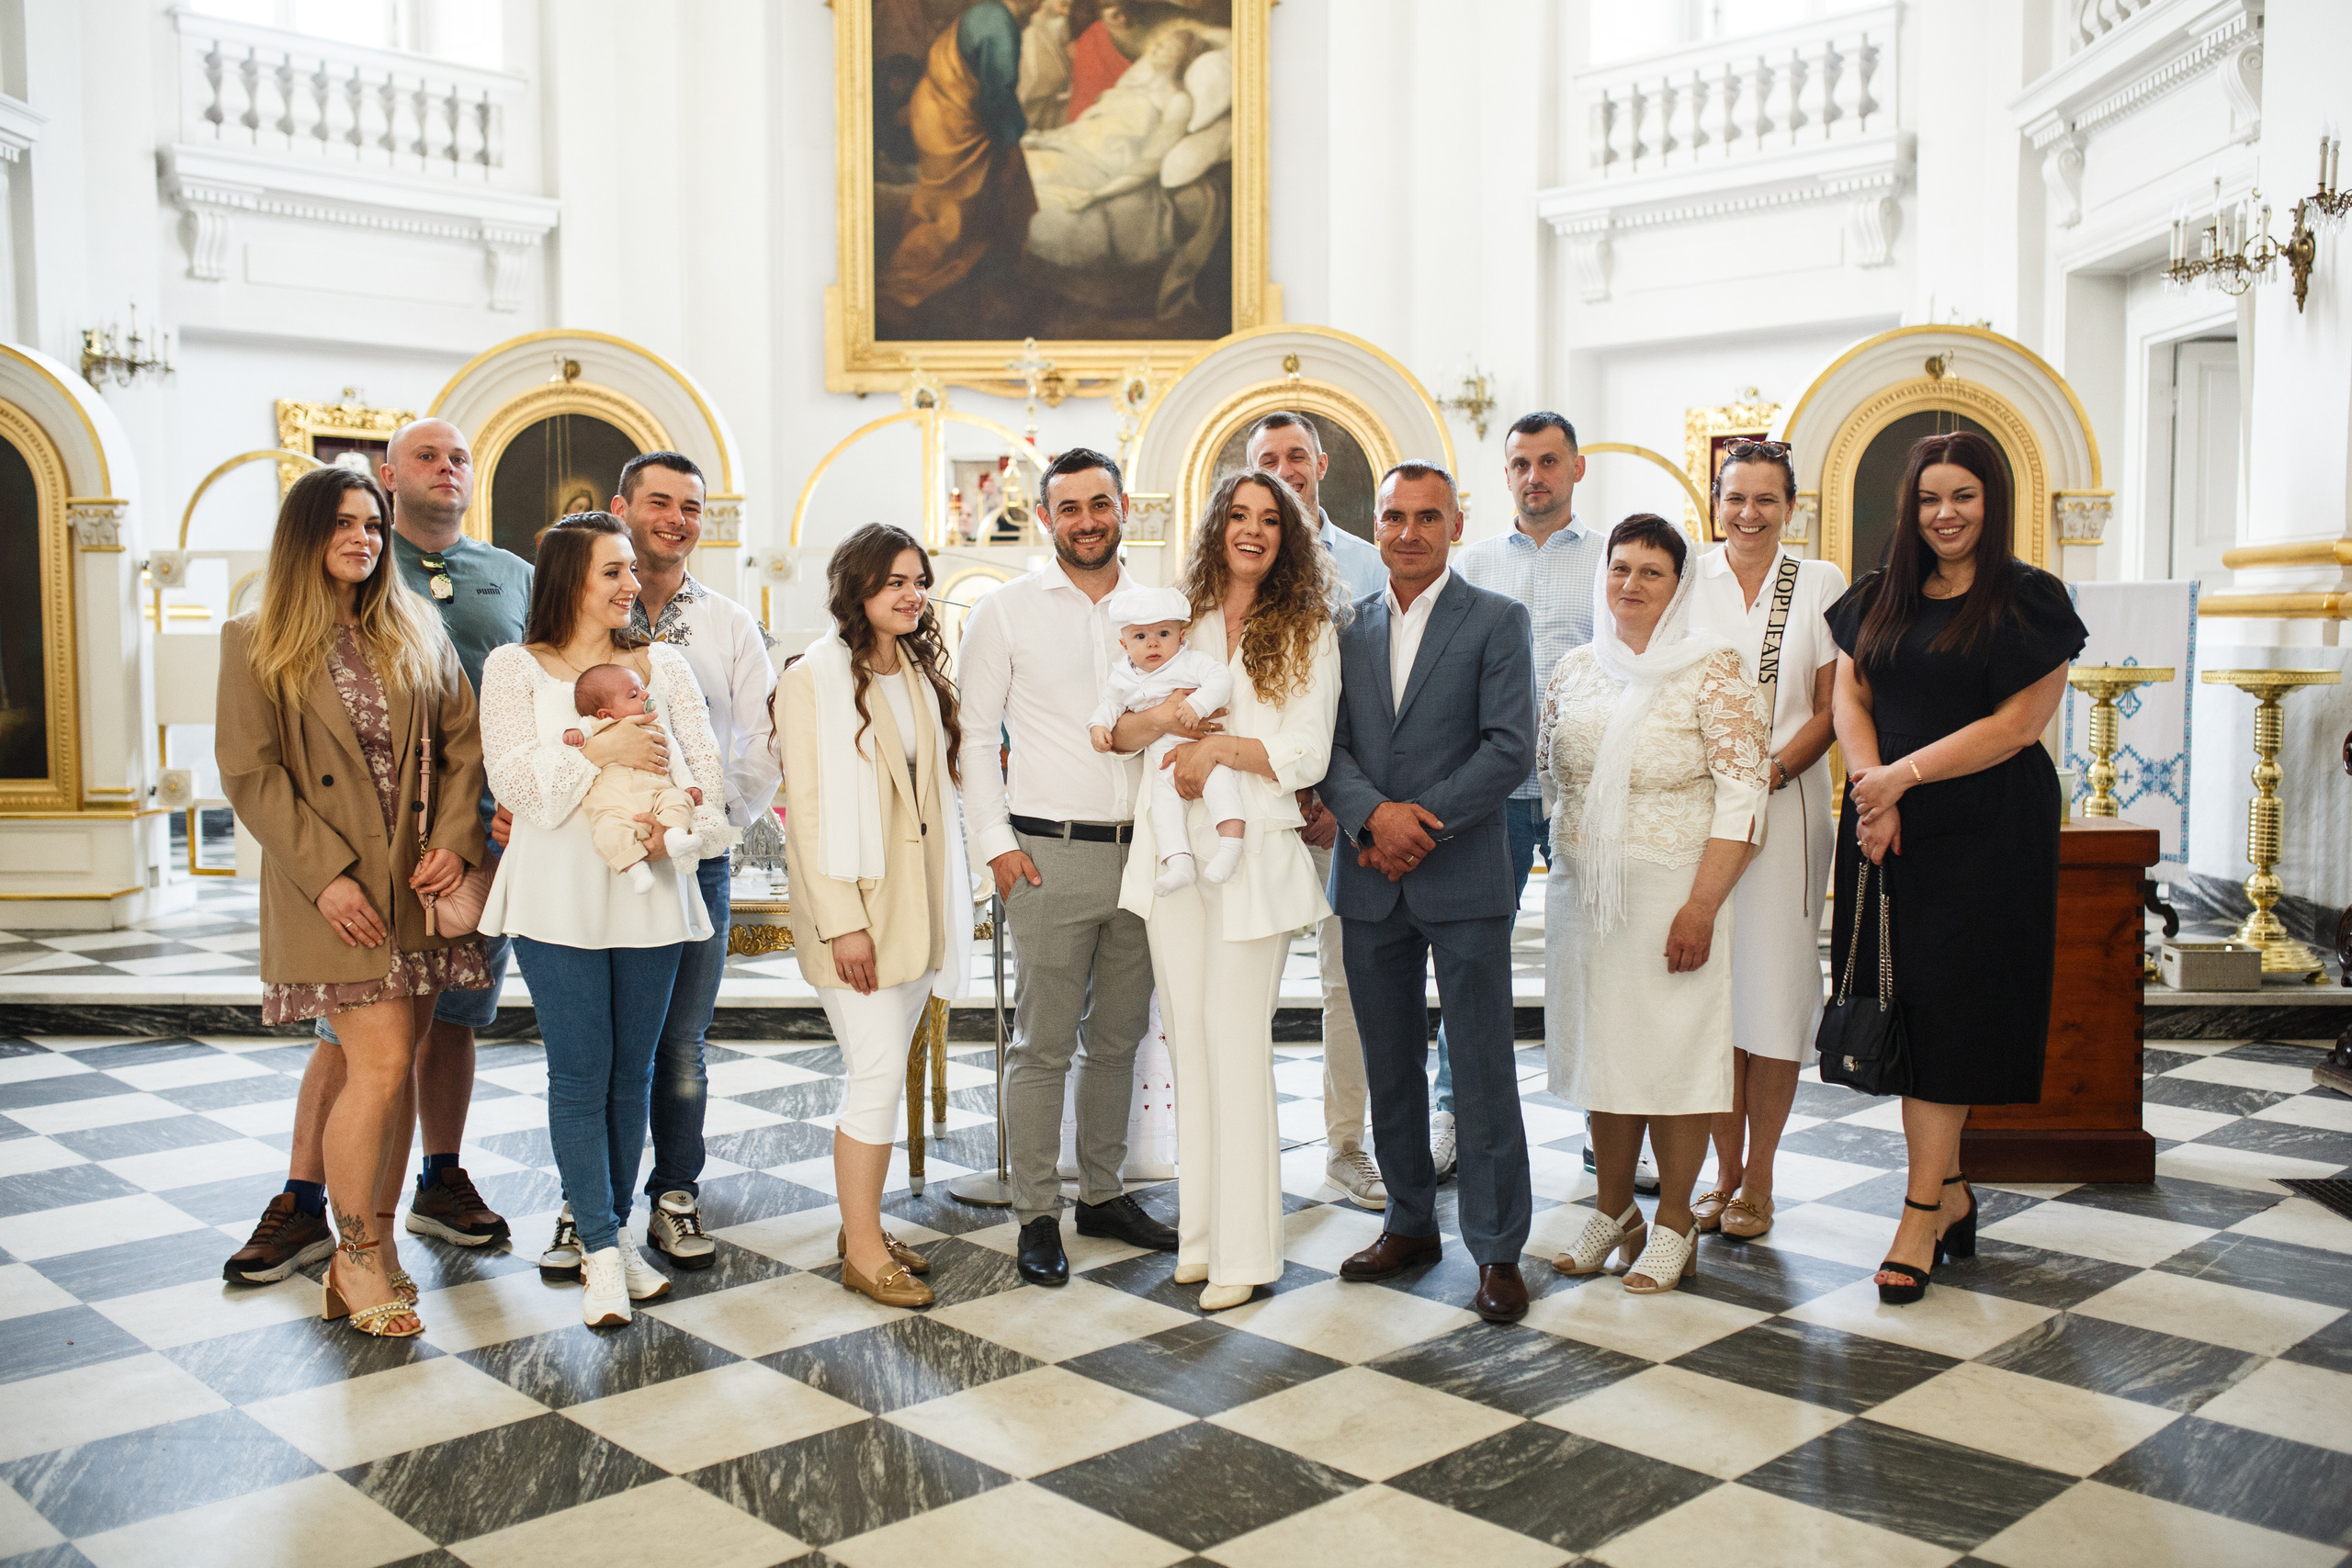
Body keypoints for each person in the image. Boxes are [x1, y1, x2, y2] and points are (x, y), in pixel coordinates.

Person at [222, 420, 524, 1289]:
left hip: (419, 883)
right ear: (304, 540)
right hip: (335, 892)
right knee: (383, 1060)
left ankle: (376, 1246)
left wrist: (456, 845)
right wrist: (325, 878)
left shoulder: (416, 627)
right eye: (342, 525)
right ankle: (355, 1257)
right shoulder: (254, 640)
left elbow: (467, 743)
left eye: (369, 527)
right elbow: (252, 773)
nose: (360, 540)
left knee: (397, 1070)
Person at [1827, 431, 2086, 1305]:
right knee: (1912, 1012)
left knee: (1954, 1016)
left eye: (1964, 496)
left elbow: (2018, 724)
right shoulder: (1881, 595)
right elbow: (1849, 692)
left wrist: (1903, 776)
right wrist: (1873, 787)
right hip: (1887, 825)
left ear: (1993, 502)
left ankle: (1918, 1212)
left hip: (1985, 824)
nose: (1946, 513)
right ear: (1911, 506)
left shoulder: (2030, 601)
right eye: (1931, 497)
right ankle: (1955, 1192)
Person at [476, 513, 732, 1328]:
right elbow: (517, 782)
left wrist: (676, 827)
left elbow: (708, 781)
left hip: (650, 883)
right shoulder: (514, 669)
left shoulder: (666, 667)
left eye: (631, 570)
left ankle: (616, 1236)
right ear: (567, 581)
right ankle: (596, 1252)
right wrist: (602, 751)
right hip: (556, 890)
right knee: (580, 1072)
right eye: (613, 571)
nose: (633, 584)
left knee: (636, 1071)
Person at [1112, 472, 1340, 1311]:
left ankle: (1249, 1251)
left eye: (1270, 519)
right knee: (1188, 1046)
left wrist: (1216, 750)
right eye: (1239, 516)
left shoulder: (1306, 627)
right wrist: (1168, 728)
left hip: (1254, 858)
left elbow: (1307, 752)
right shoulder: (1180, 616)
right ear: (1217, 527)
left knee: (1236, 1047)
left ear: (1289, 536)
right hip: (1173, 852)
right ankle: (1201, 1236)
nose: (1252, 530)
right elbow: (1124, 727)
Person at [958, 446, 1180, 1286]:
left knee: (1120, 1037)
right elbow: (976, 737)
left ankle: (1104, 1191)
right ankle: (1037, 1212)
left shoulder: (1159, 607)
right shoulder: (1007, 611)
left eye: (1101, 503)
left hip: (1146, 851)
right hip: (1047, 851)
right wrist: (997, 846)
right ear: (1045, 518)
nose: (1087, 520)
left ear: (1125, 507)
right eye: (1070, 508)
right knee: (1042, 1043)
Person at [1323, 461, 1537, 1325]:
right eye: (1392, 517)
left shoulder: (1495, 619)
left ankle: (1496, 1250)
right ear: (1374, 525)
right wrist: (1373, 819)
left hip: (1463, 873)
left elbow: (1508, 746)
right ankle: (1409, 1222)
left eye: (1426, 517)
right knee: (1389, 1065)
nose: (1407, 532)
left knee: (1482, 1069)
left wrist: (1419, 823)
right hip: (1369, 877)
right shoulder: (1345, 627)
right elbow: (1323, 744)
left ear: (1456, 522)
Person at [1543, 514, 1770, 1294]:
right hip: (1587, 896)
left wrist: (1703, 904)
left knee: (1672, 1058)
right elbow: (1553, 773)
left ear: (1679, 587)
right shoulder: (1576, 667)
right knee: (1604, 1056)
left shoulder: (1714, 668)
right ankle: (1615, 1210)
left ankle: (1674, 1219)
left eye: (1651, 571)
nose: (1631, 584)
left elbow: (1746, 791)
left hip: (1678, 891)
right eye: (1619, 568)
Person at [1452, 412, 1658, 1196]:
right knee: (1471, 959)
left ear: (1576, 469)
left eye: (1549, 462)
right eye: (1520, 464)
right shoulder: (1470, 563)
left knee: (1605, 955)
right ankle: (1458, 1118)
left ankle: (1609, 1130)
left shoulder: (1615, 562)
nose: (1534, 476)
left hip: (1587, 787)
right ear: (1504, 474)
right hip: (1493, 792)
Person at [776, 525, 973, 1309]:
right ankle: (861, 1248)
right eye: (893, 580)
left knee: (883, 1076)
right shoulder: (812, 679)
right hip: (856, 915)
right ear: (855, 586)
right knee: (877, 1072)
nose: (910, 593)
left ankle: (865, 1222)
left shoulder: (918, 670)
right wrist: (840, 922)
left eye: (918, 580)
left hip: (918, 909)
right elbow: (811, 811)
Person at [612, 450, 779, 1270]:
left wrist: (721, 818)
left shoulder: (727, 624)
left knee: (682, 1040)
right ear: (623, 507)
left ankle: (674, 1192)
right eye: (661, 502)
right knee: (605, 1044)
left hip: (694, 860)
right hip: (602, 859)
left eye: (691, 507)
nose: (677, 519)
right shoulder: (584, 612)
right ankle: (594, 1204)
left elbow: (764, 735)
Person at [1685, 442, 1847, 1241]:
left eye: (1766, 500)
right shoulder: (1687, 577)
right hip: (1704, 817)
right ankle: (1720, 1173)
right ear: (1714, 501)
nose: (1749, 514)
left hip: (1787, 811)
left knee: (1773, 997)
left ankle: (1763, 1178)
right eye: (1735, 498)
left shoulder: (1819, 583)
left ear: (1792, 506)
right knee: (1717, 997)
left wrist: (1775, 770)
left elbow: (1832, 705)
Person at [1243, 411, 1386, 1211]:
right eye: (1269, 458)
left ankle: (1345, 1146)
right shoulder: (1237, 561)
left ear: (1321, 463)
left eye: (1297, 455)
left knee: (1348, 984)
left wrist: (1339, 797)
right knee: (1246, 985)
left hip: (1341, 809)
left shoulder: (1366, 565)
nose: (1286, 467)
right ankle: (1247, 1147)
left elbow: (1370, 697)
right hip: (1253, 807)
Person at [877, 0, 1046, 325]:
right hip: (953, 125)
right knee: (956, 211)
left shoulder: (990, 12)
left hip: (941, 114)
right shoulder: (997, 22)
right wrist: (1009, 144)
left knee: (1002, 193)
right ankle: (899, 289)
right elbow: (997, 97)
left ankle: (991, 283)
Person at [1090, 586, 1244, 895]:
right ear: (1124, 644)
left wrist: (1197, 704)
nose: (1153, 644)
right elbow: (1110, 704)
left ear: (1181, 636)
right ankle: (1179, 864)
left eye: (1163, 633)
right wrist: (1098, 726)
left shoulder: (1190, 663)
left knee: (1221, 789)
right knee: (1164, 809)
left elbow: (1220, 680)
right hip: (1162, 757)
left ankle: (1230, 846)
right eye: (1140, 637)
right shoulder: (1122, 676)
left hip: (1206, 747)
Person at [564, 665, 703, 892]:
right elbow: (570, 748)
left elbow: (675, 759)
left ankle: (675, 835)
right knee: (606, 831)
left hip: (655, 788)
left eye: (642, 688)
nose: (645, 694)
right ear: (606, 714)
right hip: (613, 799)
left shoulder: (657, 727)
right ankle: (636, 870)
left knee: (678, 800)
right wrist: (571, 736)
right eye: (634, 694)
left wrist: (689, 786)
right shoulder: (594, 726)